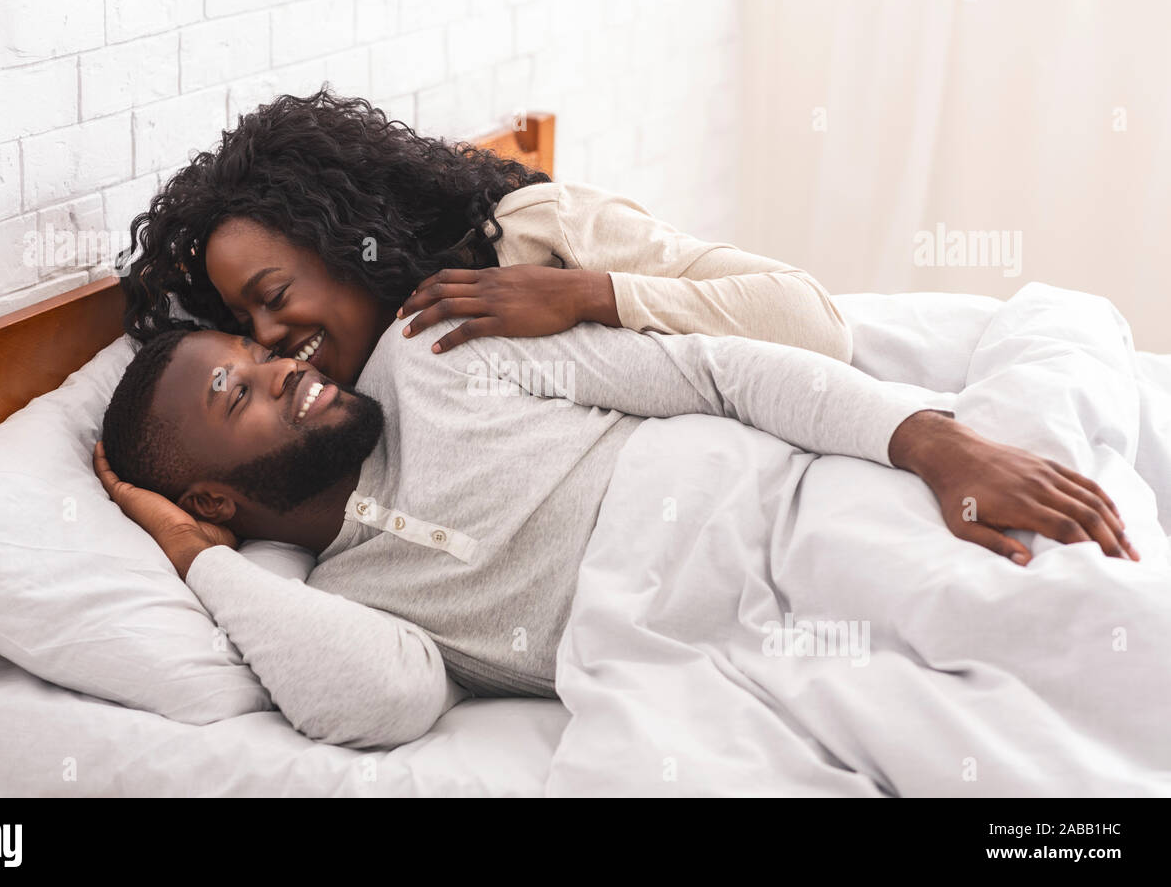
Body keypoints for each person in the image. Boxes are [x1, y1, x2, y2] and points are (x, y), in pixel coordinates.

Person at [94, 311, 1135, 749]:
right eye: (241, 397)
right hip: (719, 652)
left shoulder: (434, 353)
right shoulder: (338, 604)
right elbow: (385, 701)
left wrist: (930, 444)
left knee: (1081, 613)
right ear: (214, 502)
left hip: (794, 507)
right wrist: (193, 560)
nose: (285, 367)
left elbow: (714, 369)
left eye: (254, 349)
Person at [118, 87, 854, 394]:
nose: (268, 336)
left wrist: (583, 295)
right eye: (244, 324)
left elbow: (815, 324)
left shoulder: (537, 231)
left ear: (349, 238)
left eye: (271, 296)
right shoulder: (331, 411)